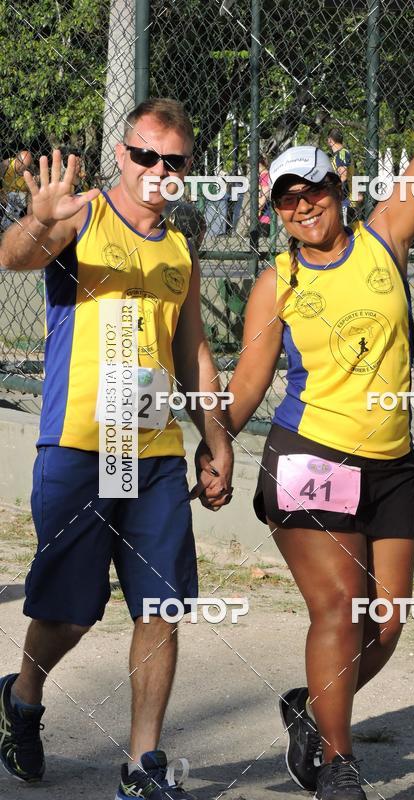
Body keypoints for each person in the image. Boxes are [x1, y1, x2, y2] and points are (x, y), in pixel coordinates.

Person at [196, 13, 414, 800]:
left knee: (386, 623)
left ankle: (312, 711)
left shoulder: (384, 238)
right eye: (288, 198)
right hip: (309, 457)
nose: (304, 206)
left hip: (390, 462)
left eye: (314, 191)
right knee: (338, 605)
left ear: (339, 190)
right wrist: (216, 440)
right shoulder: (277, 284)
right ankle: (338, 763)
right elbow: (248, 383)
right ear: (277, 210)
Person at [0, 98, 233, 799]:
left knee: (161, 605)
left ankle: (143, 765)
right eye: (144, 155)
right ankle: (22, 697)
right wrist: (40, 219)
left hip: (154, 447)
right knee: (70, 612)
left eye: (173, 160)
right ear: (122, 154)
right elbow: (14, 257)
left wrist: (215, 438)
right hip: (80, 444)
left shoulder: (180, 249)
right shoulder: (83, 215)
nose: (158, 169)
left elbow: (192, 351)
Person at [327, 129, 354, 225]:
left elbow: (343, 176)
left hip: (346, 202)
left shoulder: (342, 153)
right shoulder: (339, 154)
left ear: (330, 140)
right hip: (344, 201)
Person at [0, 150, 33, 231]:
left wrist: (29, 217)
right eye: (22, 165)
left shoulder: (29, 173)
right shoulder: (6, 165)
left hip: (20, 199)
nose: (24, 169)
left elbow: (30, 196)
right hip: (5, 193)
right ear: (17, 160)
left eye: (27, 166)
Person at [258, 154, 272, 237]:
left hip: (265, 218)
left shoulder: (264, 176)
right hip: (263, 216)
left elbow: (264, 196)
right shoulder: (263, 175)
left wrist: (257, 208)